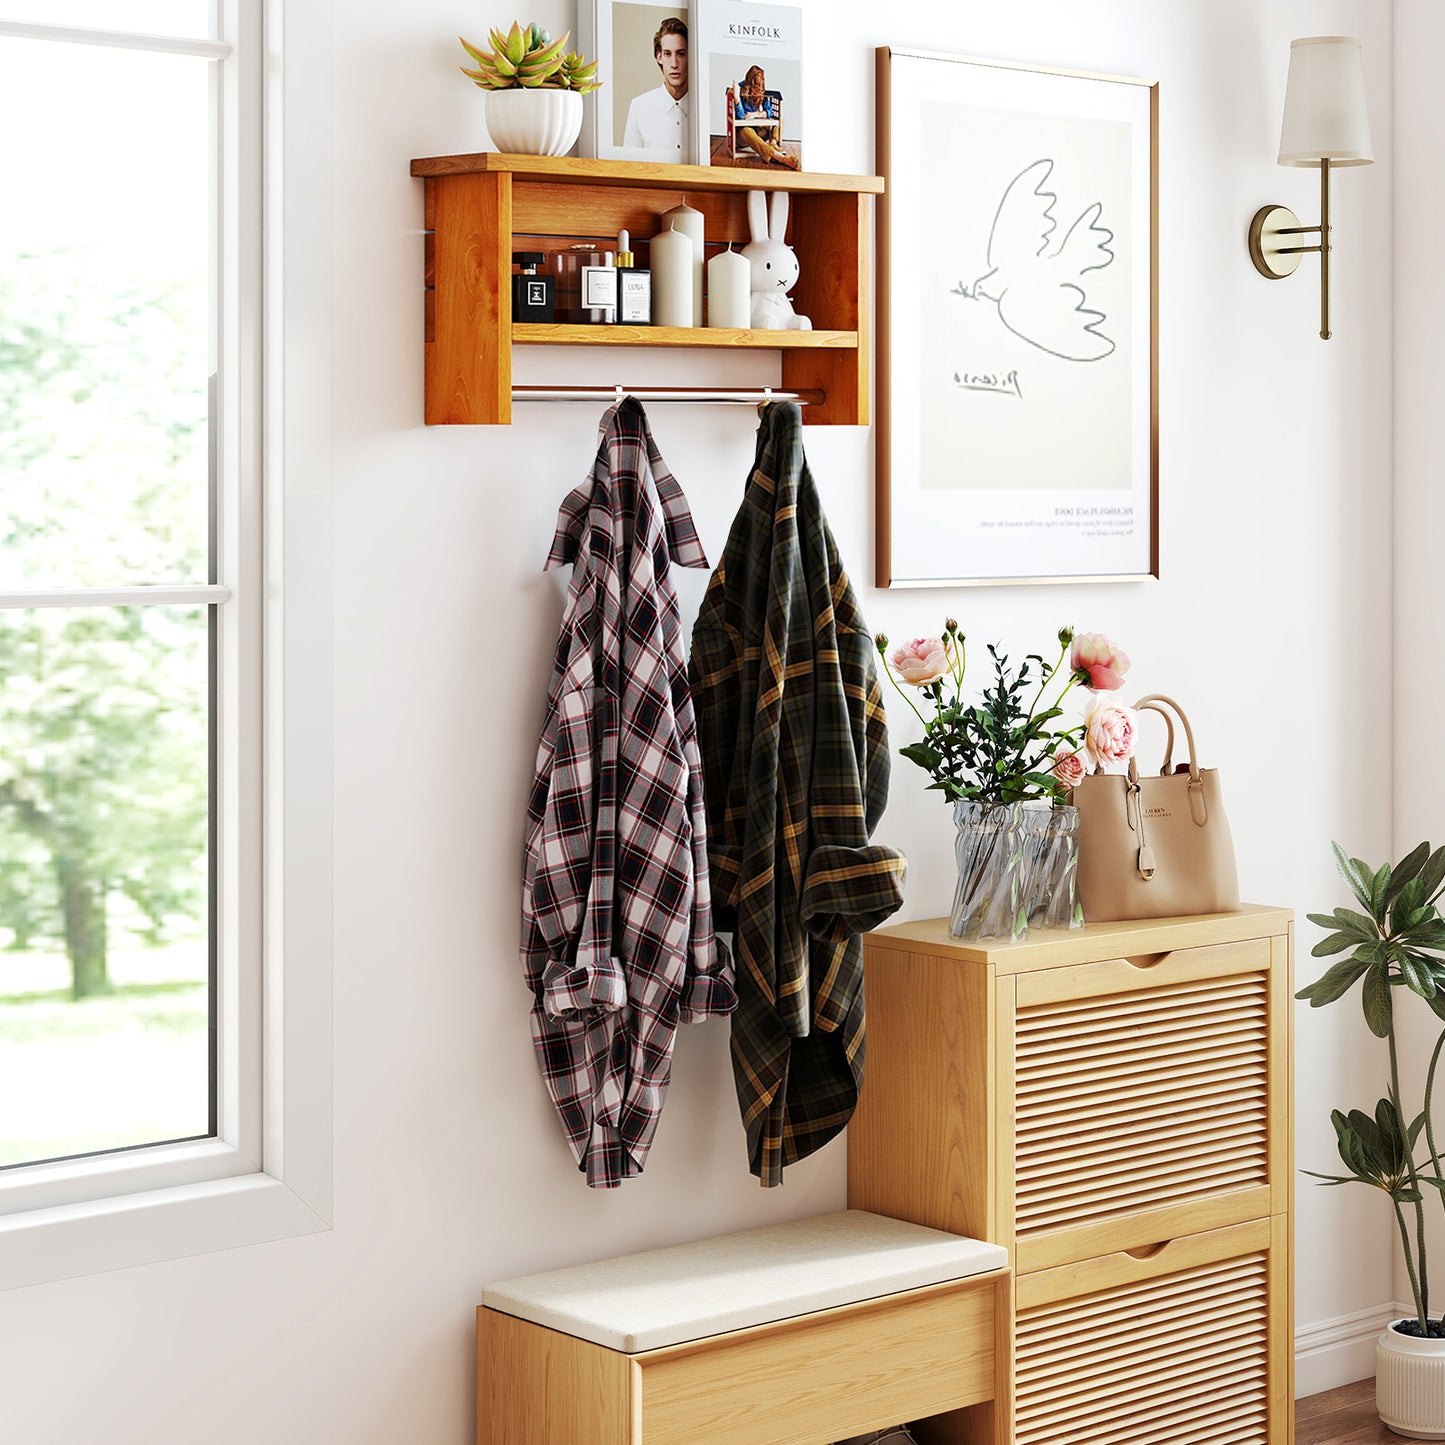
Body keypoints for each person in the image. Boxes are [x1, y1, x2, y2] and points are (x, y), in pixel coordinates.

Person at [622, 17, 688, 156]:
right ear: (659, 57)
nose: (674, 64)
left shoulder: (704, 107)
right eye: (667, 54)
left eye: (681, 54)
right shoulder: (639, 106)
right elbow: (629, 164)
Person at [732, 64, 798, 170]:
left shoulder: (762, 94)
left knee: (781, 122)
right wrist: (737, 99)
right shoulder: (741, 91)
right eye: (757, 87)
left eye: (761, 87)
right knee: (746, 131)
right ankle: (779, 157)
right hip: (744, 135)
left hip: (758, 130)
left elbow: (770, 113)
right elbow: (741, 116)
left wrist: (756, 115)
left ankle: (772, 144)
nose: (760, 90)